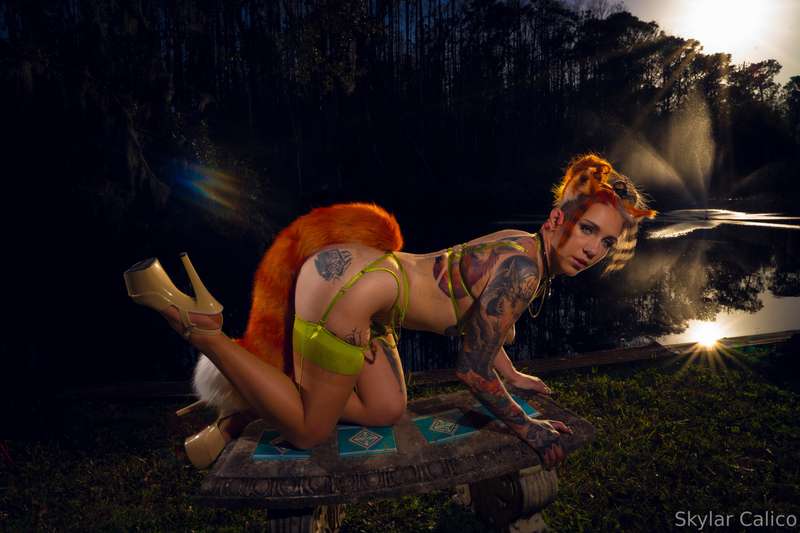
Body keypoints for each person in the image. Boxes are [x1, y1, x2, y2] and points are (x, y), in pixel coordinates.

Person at [124, 153, 656, 471]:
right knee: (309, 430)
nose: (593, 249)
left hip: (368, 285)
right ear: (559, 219)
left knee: (385, 410)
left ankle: (246, 412)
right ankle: (203, 330)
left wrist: (513, 374)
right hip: (353, 291)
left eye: (607, 242)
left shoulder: (521, 246)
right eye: (588, 230)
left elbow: (482, 330)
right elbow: (470, 367)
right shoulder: (523, 269)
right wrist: (527, 426)